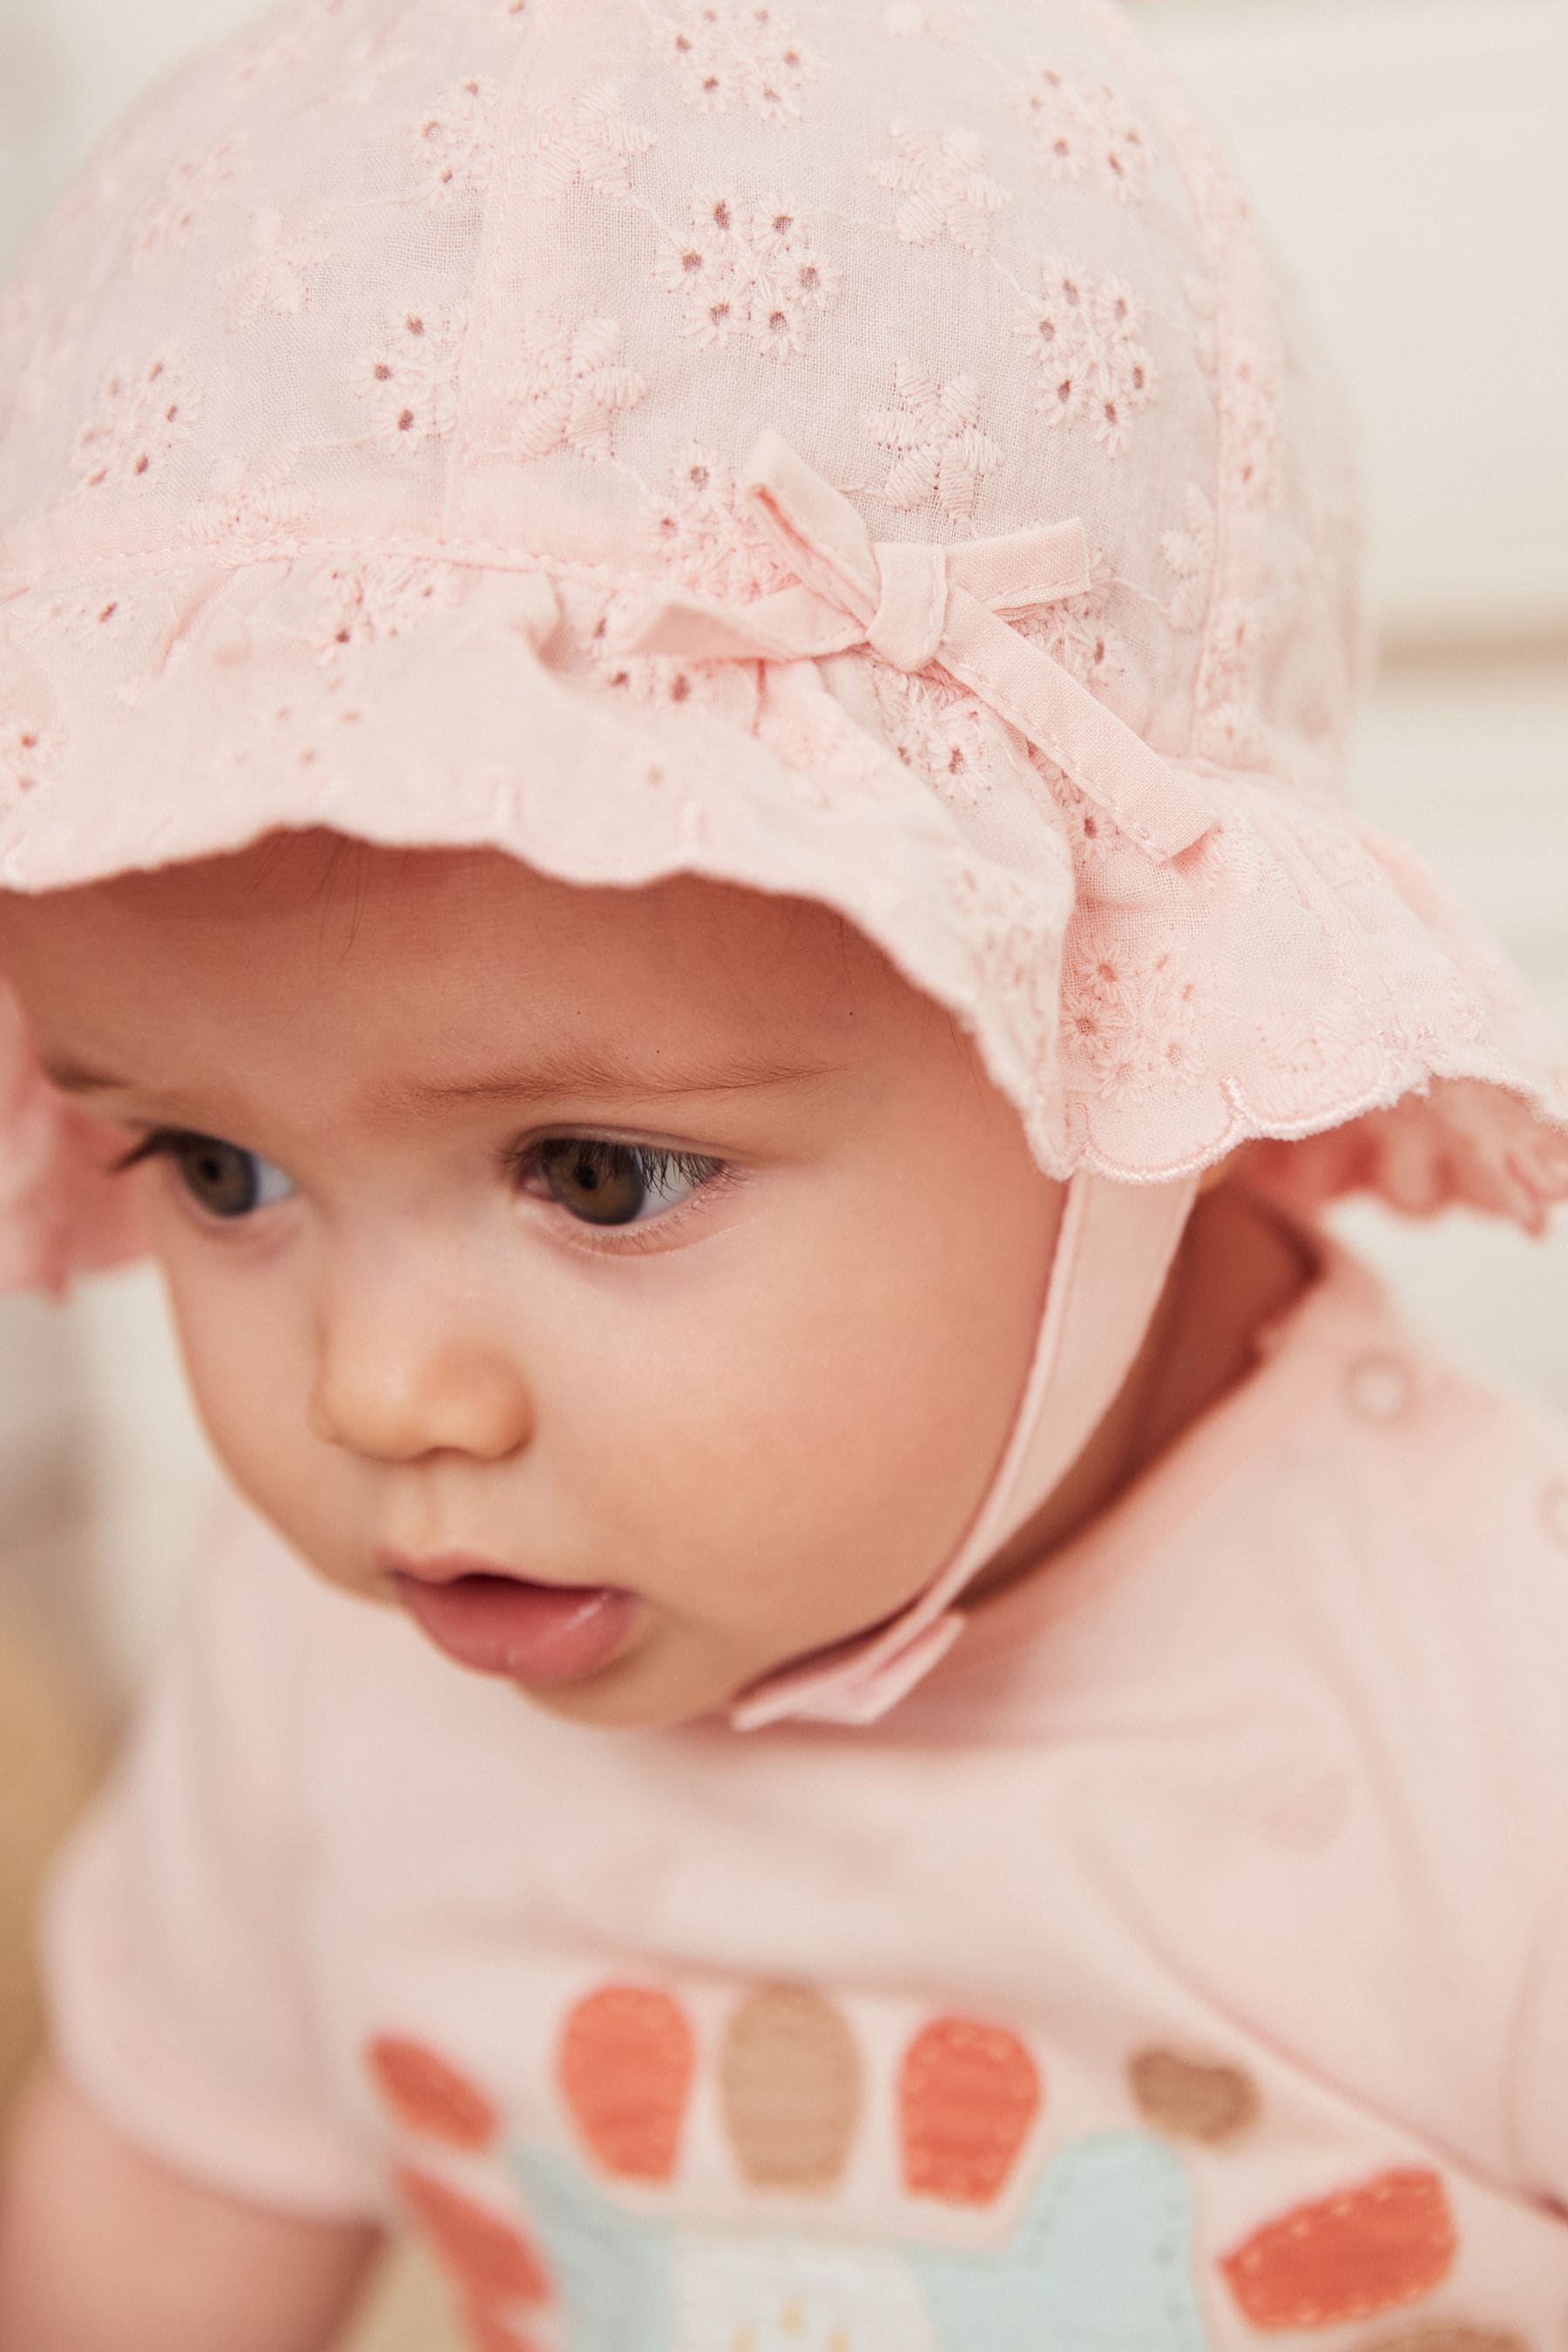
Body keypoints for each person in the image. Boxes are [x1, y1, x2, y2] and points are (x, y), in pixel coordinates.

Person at [1, 0, 1567, 2343]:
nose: (383, 1390)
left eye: (600, 1175)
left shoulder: (1487, 1708)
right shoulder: (326, 1678)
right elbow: (149, 2228)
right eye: (219, 1167)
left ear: (1134, 1043)